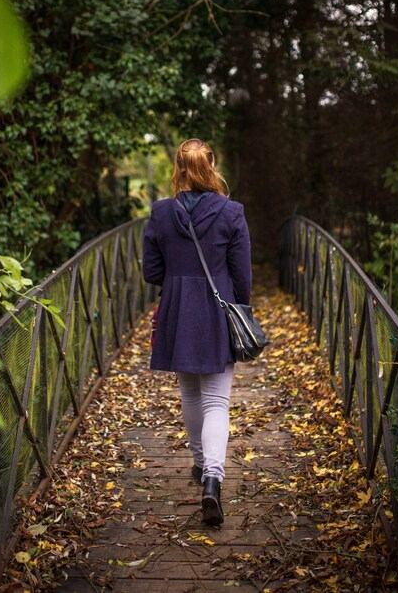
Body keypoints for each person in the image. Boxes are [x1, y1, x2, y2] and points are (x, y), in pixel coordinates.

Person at [141, 138, 252, 526]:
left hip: (177, 308)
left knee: (189, 392)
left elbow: (151, 272)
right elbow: (242, 276)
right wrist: (241, 306)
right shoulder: (232, 212)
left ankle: (201, 463)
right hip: (217, 308)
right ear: (211, 167)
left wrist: (176, 275)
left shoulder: (160, 213)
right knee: (217, 401)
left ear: (178, 169)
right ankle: (213, 480)